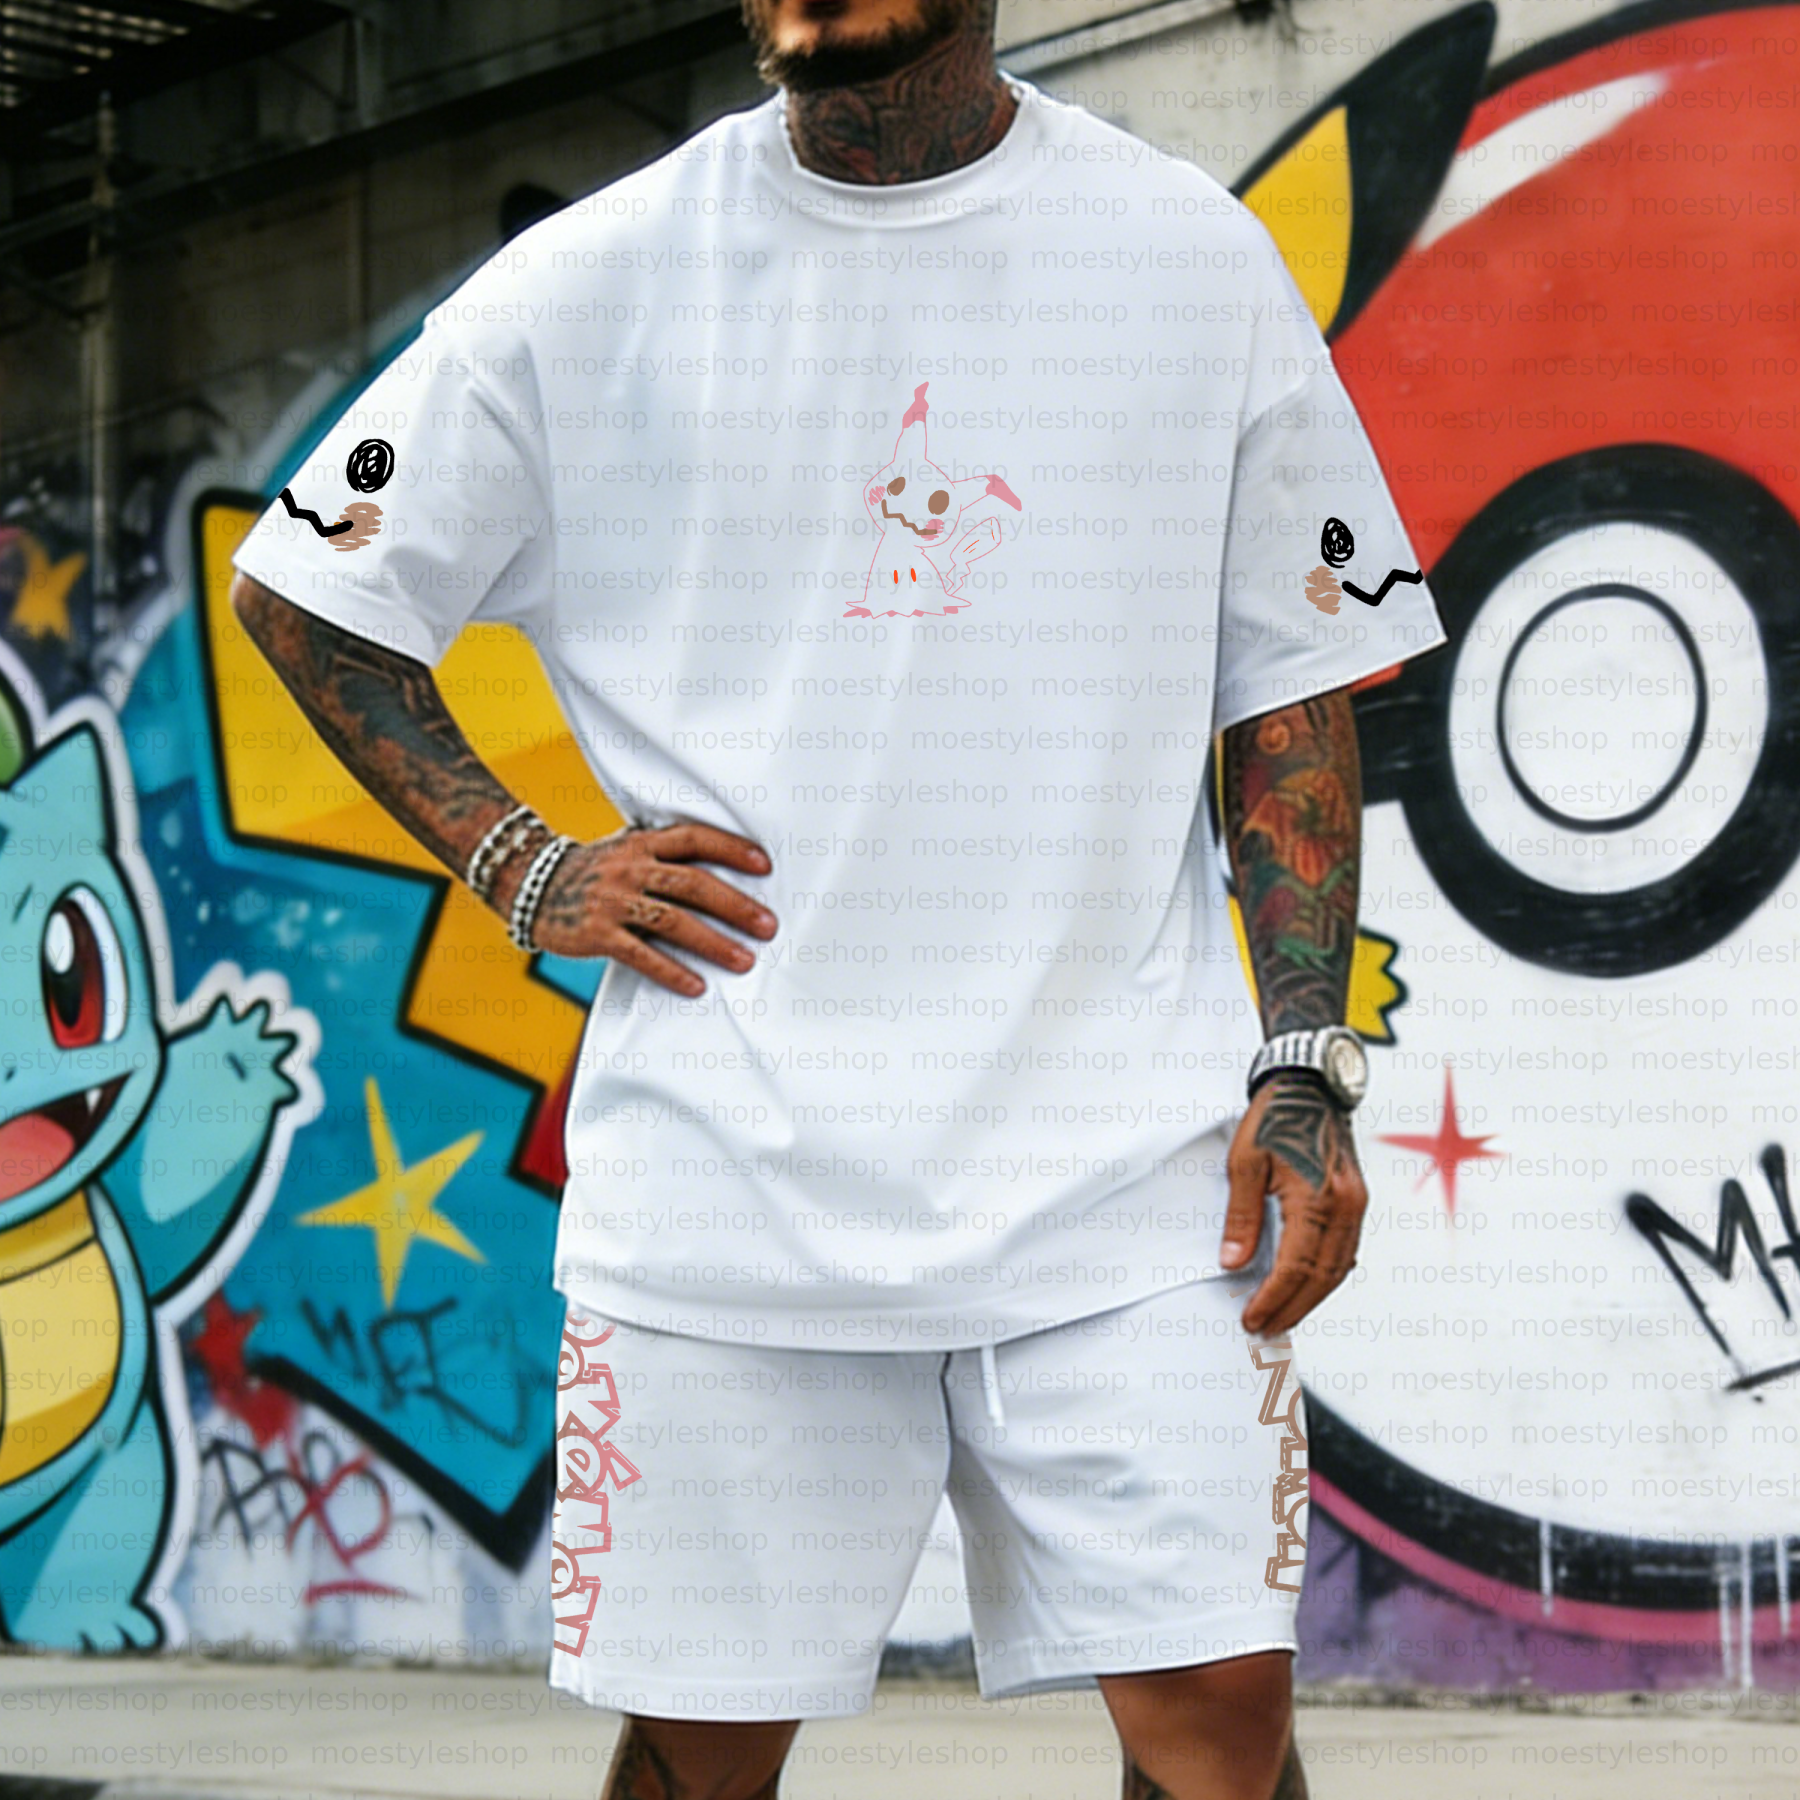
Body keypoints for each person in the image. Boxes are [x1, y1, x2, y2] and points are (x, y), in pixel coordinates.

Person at [228, 0, 1445, 1793]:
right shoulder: (595, 278)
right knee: (702, 1747)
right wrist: (522, 861)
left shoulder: (1186, 255)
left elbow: (1292, 689)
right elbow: (305, 586)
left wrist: (1303, 1069)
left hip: (1130, 1185)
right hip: (731, 1186)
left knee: (1218, 1718)